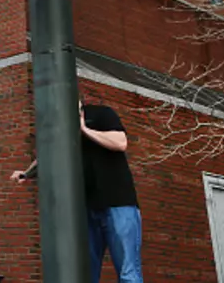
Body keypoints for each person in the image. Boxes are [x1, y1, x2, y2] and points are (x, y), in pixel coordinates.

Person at [11, 98, 144, 283]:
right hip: (86, 209)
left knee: (128, 273)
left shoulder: (101, 114)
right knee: (85, 274)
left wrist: (84, 130)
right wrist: (26, 174)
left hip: (119, 205)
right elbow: (48, 156)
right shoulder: (61, 129)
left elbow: (121, 142)